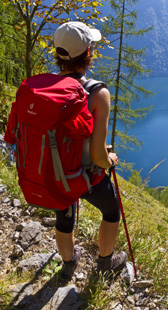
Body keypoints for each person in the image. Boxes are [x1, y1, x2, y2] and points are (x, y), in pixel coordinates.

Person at [53, 21, 127, 280]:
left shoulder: (47, 87)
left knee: (64, 219)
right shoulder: (97, 92)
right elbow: (97, 156)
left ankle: (68, 265)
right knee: (111, 210)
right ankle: (105, 264)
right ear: (88, 53)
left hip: (54, 172)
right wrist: (110, 159)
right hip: (83, 176)